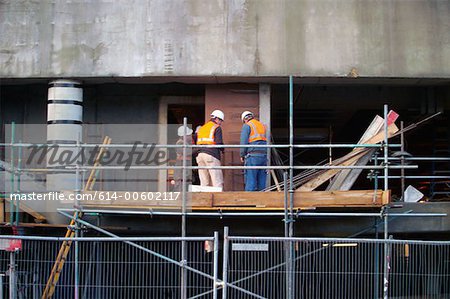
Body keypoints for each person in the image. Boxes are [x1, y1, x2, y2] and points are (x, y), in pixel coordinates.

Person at [196, 110, 225, 189]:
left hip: (200, 155)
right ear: (216, 119)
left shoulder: (202, 128)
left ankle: (204, 199)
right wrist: (223, 149)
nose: (220, 123)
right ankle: (218, 200)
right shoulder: (216, 127)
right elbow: (219, 143)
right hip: (211, 155)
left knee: (204, 182)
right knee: (217, 180)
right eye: (220, 120)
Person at [240, 111, 267, 191]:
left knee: (250, 180)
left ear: (244, 119)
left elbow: (243, 142)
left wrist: (242, 155)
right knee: (262, 181)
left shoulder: (247, 126)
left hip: (253, 156)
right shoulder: (261, 125)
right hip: (263, 156)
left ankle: (249, 202)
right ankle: (261, 202)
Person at [172, 125, 193, 191]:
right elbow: (187, 152)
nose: (190, 136)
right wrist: (197, 148)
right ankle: (180, 199)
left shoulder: (186, 143)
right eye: (189, 135)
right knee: (180, 183)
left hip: (185, 164)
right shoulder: (180, 143)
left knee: (186, 182)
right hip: (181, 165)